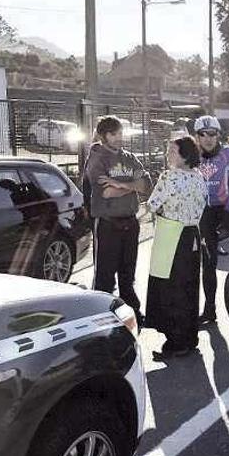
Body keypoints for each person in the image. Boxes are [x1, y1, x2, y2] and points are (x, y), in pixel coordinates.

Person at [84, 115, 151, 325]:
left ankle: (132, 312)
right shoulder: (97, 158)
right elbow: (106, 193)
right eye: (114, 134)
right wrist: (131, 186)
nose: (119, 137)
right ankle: (102, 317)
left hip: (131, 222)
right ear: (103, 136)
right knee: (105, 276)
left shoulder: (130, 157)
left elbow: (146, 184)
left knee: (128, 274)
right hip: (107, 224)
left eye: (120, 133)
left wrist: (121, 184)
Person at [145, 136, 207, 360]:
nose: (168, 154)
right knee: (189, 288)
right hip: (192, 236)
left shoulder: (169, 177)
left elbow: (153, 204)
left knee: (170, 290)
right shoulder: (199, 177)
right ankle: (190, 339)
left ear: (185, 155)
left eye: (172, 151)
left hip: (171, 237)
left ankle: (175, 342)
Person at [195, 116, 229, 324]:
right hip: (204, 213)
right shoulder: (192, 157)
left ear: (218, 135)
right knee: (208, 263)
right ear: (197, 136)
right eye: (203, 134)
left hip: (225, 207)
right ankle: (210, 309)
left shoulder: (228, 152)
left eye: (212, 134)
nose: (208, 138)